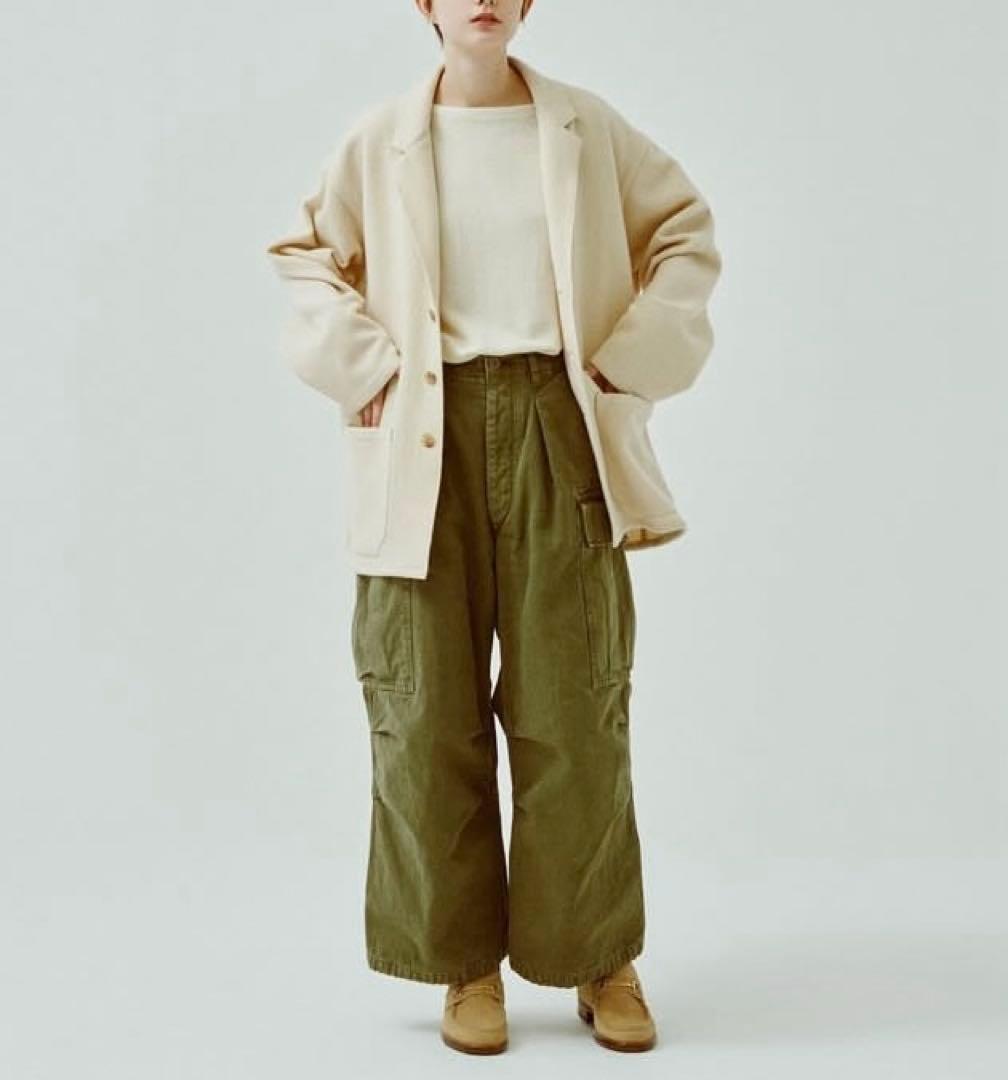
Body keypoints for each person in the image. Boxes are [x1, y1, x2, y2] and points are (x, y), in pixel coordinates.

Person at [265, 0, 721, 1056]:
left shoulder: (587, 128)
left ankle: (599, 955)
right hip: (426, 431)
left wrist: (624, 363)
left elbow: (685, 234)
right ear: (424, 6)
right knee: (425, 708)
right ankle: (462, 962)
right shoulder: (379, 139)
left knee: (577, 703)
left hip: (559, 424)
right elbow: (304, 255)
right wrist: (367, 368)